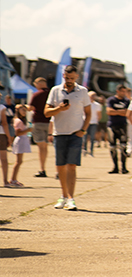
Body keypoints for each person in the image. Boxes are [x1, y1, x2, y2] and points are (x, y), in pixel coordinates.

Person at [44, 65, 93, 211]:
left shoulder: (82, 91)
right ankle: (63, 196)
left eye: (72, 78)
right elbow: (46, 112)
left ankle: (71, 198)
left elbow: (88, 113)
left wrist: (83, 130)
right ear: (63, 76)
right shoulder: (55, 90)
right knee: (60, 166)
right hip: (59, 133)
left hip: (75, 134)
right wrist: (59, 108)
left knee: (71, 165)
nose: (69, 80)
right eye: (67, 77)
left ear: (77, 76)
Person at [107, 84, 131, 175]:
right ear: (118, 91)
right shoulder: (111, 100)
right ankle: (115, 167)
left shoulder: (127, 101)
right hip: (112, 126)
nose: (124, 93)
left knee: (123, 147)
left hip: (123, 126)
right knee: (112, 147)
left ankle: (124, 167)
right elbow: (109, 111)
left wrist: (115, 111)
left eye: (125, 91)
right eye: (122, 91)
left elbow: (127, 113)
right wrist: (121, 112)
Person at [29, 77, 50, 178]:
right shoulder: (52, 93)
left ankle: (42, 169)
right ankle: (58, 171)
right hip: (50, 123)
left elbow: (31, 108)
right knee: (50, 146)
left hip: (38, 122)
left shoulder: (36, 94)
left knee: (41, 147)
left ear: (39, 83)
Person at [10, 103, 31, 186]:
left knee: (19, 161)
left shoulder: (21, 120)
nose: (24, 112)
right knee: (18, 161)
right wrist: (28, 130)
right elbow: (17, 133)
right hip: (20, 140)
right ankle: (13, 179)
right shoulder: (18, 121)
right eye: (22, 110)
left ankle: (14, 179)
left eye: (25, 110)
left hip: (22, 140)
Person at [84, 91, 100, 156]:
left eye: (94, 95)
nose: (93, 97)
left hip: (93, 123)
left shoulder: (97, 105)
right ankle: (85, 150)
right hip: (85, 122)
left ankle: (91, 151)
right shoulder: (85, 104)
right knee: (84, 137)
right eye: (92, 95)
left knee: (92, 137)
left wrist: (97, 121)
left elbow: (99, 114)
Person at [0, 98, 10, 188]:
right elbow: (4, 123)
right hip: (1, 134)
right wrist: (9, 137)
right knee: (3, 159)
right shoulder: (2, 108)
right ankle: (5, 181)